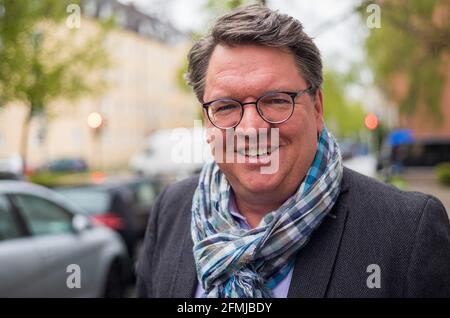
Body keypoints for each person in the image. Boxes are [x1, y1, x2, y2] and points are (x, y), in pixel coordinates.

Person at [137, 5, 450, 298]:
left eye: (275, 100)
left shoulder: (406, 230)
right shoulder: (171, 210)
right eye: (226, 106)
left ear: (317, 108)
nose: (251, 129)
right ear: (207, 120)